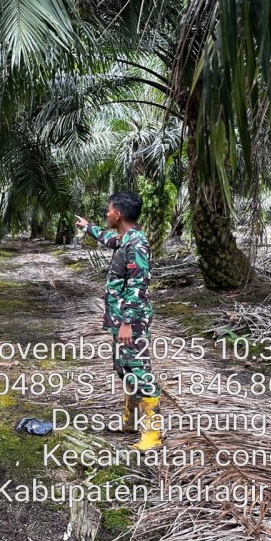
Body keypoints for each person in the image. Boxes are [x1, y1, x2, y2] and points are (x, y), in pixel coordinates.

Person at [76, 191, 162, 451]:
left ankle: (153, 435)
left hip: (131, 322)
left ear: (119, 214)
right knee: (124, 369)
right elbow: (110, 239)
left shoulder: (137, 244)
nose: (106, 213)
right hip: (121, 321)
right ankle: (131, 421)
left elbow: (139, 286)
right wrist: (88, 227)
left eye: (108, 210)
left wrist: (127, 322)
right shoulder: (126, 238)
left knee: (140, 371)